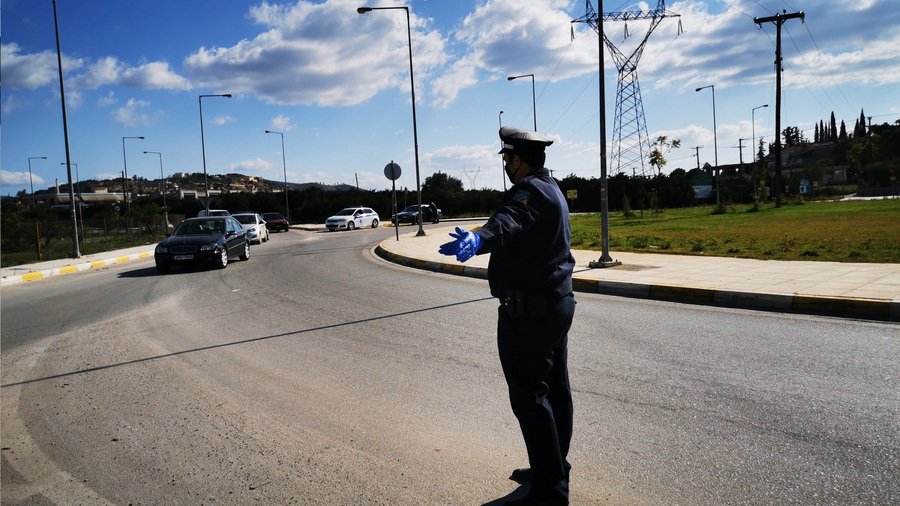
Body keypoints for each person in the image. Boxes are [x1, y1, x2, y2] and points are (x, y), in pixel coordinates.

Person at [438, 127, 576, 505]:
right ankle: (552, 467)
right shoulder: (553, 188)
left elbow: (510, 220)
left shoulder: (529, 192)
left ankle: (550, 493)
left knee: (530, 399)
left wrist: (479, 239)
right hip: (557, 304)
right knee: (556, 393)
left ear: (518, 159)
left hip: (530, 315)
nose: (505, 165)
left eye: (506, 159)